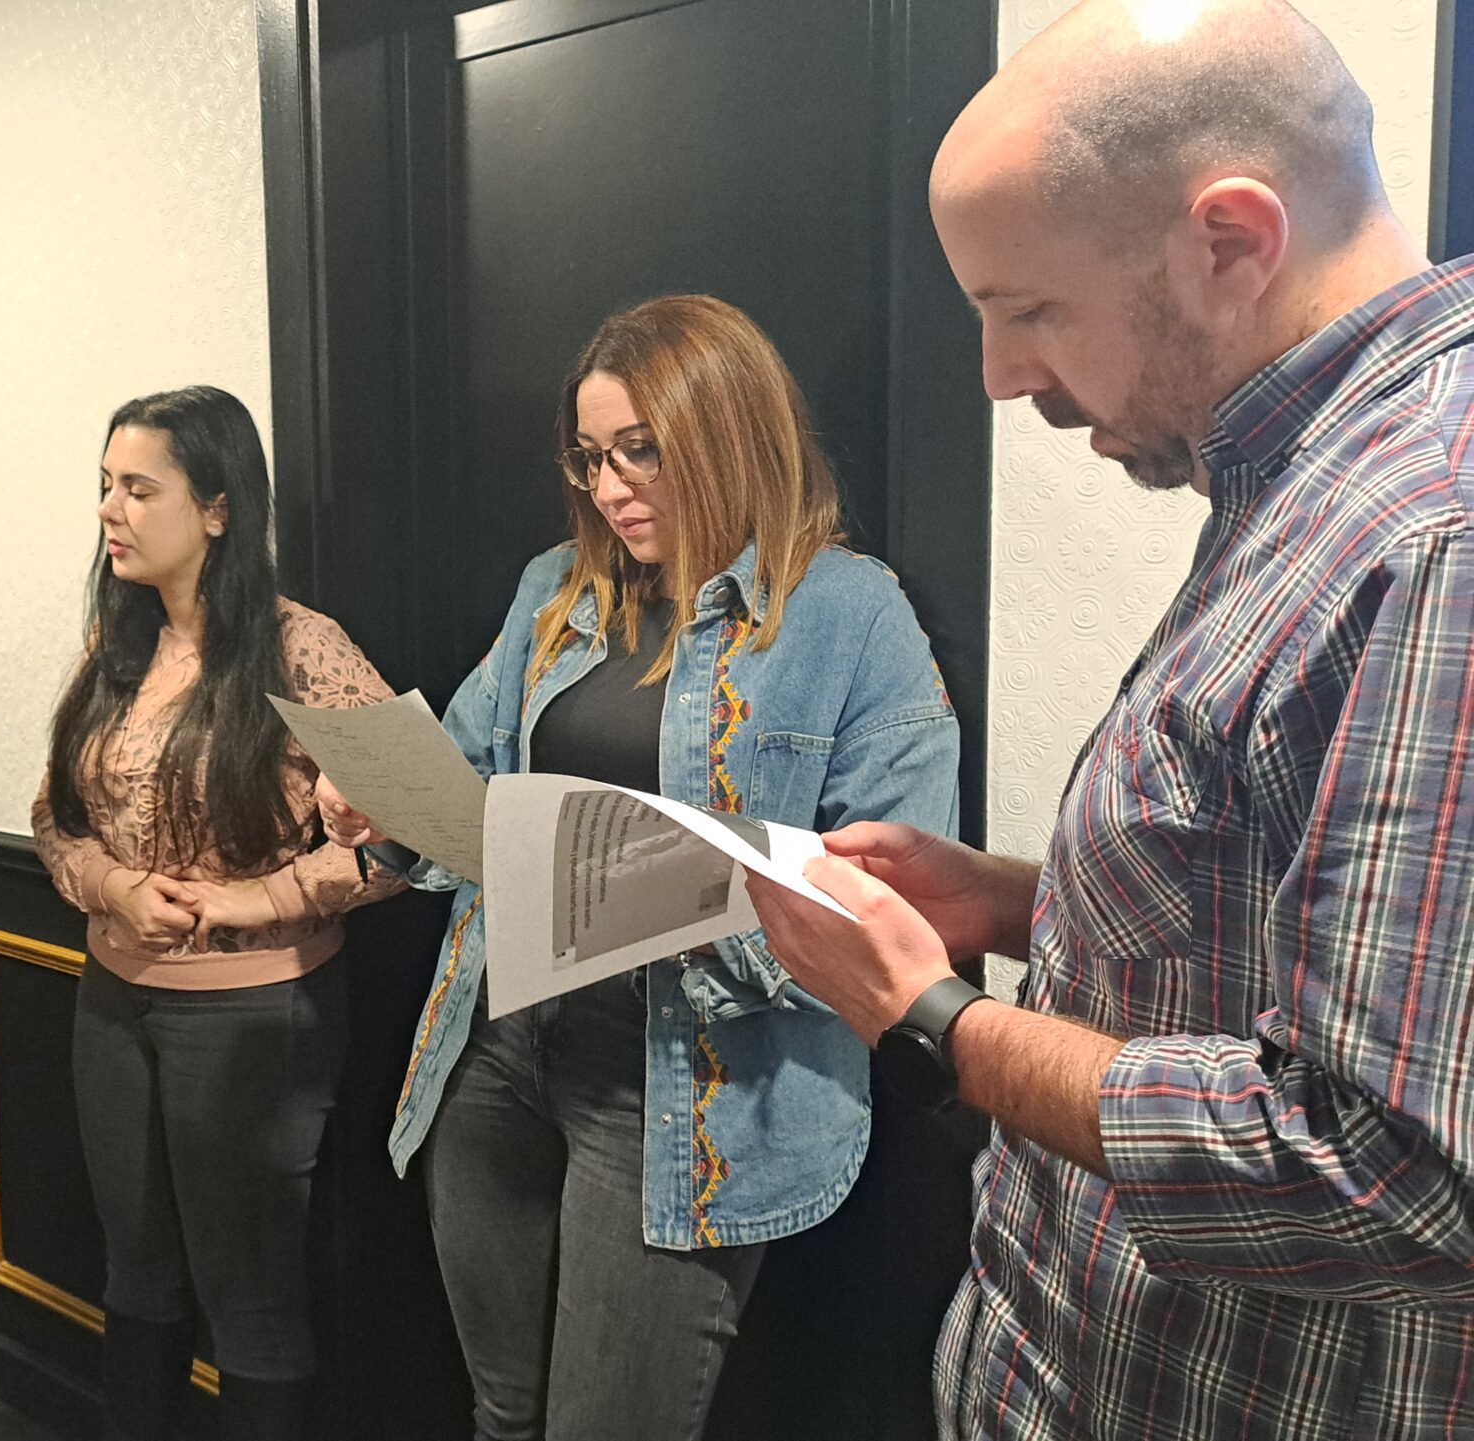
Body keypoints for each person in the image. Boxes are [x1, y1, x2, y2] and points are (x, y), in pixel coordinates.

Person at [742, 3, 1474, 1438]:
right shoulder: (1302, 476)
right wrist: (1011, 900)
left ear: (1229, 240)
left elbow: (1389, 1170)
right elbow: (1265, 901)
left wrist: (933, 1017)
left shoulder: (1433, 534)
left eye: (1028, 311)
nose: (999, 377)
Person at [323, 295, 959, 1439]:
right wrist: (387, 806)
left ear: (727, 432)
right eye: (589, 457)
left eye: (640, 450)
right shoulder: (556, 587)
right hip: (500, 1043)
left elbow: (893, 894)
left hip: (682, 1081)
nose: (610, 488)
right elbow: (466, 773)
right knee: (502, 1411)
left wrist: (679, 902)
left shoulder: (847, 613)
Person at [33, 386, 404, 1441]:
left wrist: (261, 897)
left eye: (138, 488)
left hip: (254, 1017)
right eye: (105, 484)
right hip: (114, 1001)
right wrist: (113, 888)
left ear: (217, 507)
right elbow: (52, 815)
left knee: (250, 1298)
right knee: (136, 1272)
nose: (109, 509)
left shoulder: (302, 648)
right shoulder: (119, 641)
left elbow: (410, 838)